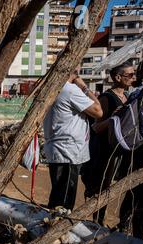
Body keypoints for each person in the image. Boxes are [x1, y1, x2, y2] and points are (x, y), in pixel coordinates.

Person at [81, 61, 135, 225]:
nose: (133, 78)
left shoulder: (127, 97)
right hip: (105, 153)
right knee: (102, 189)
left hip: (121, 151)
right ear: (118, 77)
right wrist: (114, 118)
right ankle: (97, 222)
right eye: (130, 75)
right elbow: (96, 128)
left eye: (134, 74)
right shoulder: (106, 98)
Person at [43, 66, 103, 211]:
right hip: (67, 150)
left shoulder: (52, 88)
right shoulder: (70, 90)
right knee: (63, 201)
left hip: (58, 148)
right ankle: (55, 230)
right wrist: (83, 86)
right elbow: (98, 111)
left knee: (59, 194)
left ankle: (52, 227)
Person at [118, 68, 143, 239]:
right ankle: (142, 228)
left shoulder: (138, 91)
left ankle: (126, 222)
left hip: (139, 143)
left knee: (135, 186)